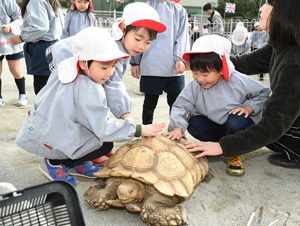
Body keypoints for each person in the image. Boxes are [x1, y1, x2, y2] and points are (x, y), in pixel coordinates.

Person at [15, 27, 166, 186]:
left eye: (113, 66)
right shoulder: (89, 88)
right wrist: (138, 129)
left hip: (46, 128)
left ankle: (74, 162)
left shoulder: (68, 67)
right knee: (104, 144)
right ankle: (55, 163)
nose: (109, 73)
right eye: (104, 67)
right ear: (83, 63)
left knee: (99, 140)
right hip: (53, 139)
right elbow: (102, 128)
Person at [47, 2, 167, 166]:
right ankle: (56, 156)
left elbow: (112, 82)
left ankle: (81, 153)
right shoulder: (110, 46)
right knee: (71, 112)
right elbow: (112, 84)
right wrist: (127, 116)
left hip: (79, 73)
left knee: (92, 113)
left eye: (148, 42)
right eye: (138, 39)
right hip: (62, 65)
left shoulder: (123, 46)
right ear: (124, 27)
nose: (142, 46)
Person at [185, 0, 300, 169]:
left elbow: (275, 124)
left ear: (284, 11)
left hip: (291, 130)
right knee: (201, 121)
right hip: (289, 122)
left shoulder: (294, 63)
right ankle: (231, 140)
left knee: (263, 124)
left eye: (268, 3)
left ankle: (296, 153)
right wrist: (205, 63)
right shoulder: (280, 47)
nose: (261, 8)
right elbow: (243, 63)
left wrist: (223, 147)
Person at [163, 35, 270, 176]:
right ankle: (216, 146)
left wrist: (248, 108)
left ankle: (234, 151)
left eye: (205, 74)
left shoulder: (237, 80)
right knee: (193, 122)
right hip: (216, 127)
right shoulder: (195, 86)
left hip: (236, 127)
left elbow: (263, 92)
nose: (199, 78)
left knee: (237, 119)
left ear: (221, 69)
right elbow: (182, 106)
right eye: (195, 73)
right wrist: (177, 127)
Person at [130, 0, 189, 127]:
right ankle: (146, 130)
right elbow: (138, 35)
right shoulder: (146, 8)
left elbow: (182, 36)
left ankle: (177, 130)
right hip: (151, 63)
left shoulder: (179, 10)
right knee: (149, 103)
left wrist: (179, 58)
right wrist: (135, 62)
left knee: (176, 103)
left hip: (174, 66)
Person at [10, 0, 64, 95]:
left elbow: (40, 28)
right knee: (51, 89)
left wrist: (22, 37)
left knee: (42, 91)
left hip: (42, 48)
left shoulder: (36, 1)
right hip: (53, 46)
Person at [0, 0, 28, 106]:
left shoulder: (7, 1)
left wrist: (10, 26)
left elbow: (19, 18)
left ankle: (23, 94)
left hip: (10, 40)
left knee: (15, 71)